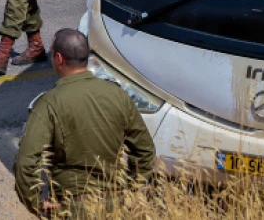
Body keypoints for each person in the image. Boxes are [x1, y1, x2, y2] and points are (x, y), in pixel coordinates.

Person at [13, 29, 157, 216]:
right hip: (115, 205)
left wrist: (34, 202)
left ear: (59, 58)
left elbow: (25, 161)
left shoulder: (49, 103)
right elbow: (145, 150)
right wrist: (131, 191)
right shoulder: (118, 95)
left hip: (70, 208)